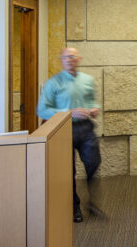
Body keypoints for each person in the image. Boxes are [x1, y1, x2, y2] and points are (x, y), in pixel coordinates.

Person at [38, 47, 104, 223]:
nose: (70, 59)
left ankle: (91, 202)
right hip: (63, 129)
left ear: (78, 59)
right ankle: (74, 206)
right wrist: (69, 112)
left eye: (73, 57)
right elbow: (42, 110)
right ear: (61, 60)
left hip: (86, 128)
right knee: (68, 171)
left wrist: (95, 108)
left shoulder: (88, 80)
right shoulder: (53, 83)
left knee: (94, 162)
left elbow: (92, 100)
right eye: (66, 57)